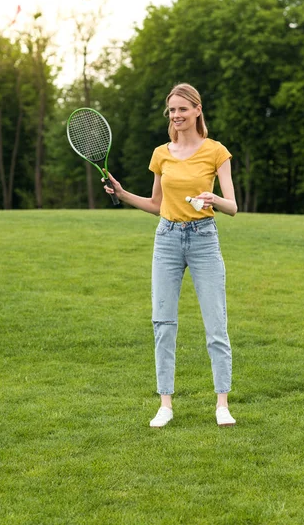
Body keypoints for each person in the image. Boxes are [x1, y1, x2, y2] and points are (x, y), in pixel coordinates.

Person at [103, 83, 238, 428]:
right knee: (163, 323)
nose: (176, 116)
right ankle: (165, 404)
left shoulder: (216, 151)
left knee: (216, 323)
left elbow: (233, 206)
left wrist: (214, 200)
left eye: (182, 109)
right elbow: (155, 205)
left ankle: (222, 404)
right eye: (172, 111)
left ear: (197, 110)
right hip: (167, 240)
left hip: (204, 239)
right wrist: (121, 193)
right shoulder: (161, 154)